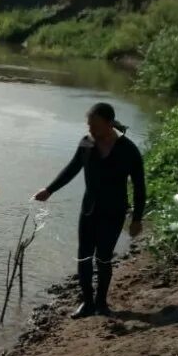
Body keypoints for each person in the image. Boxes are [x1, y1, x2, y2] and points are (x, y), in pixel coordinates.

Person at [34, 103, 146, 318]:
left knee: (103, 257)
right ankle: (87, 303)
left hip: (114, 211)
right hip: (89, 209)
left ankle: (101, 303)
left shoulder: (128, 150)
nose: (90, 130)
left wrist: (137, 219)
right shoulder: (86, 144)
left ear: (109, 123)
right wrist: (49, 190)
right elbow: (72, 169)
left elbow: (140, 186)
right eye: (89, 125)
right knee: (84, 256)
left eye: (94, 125)